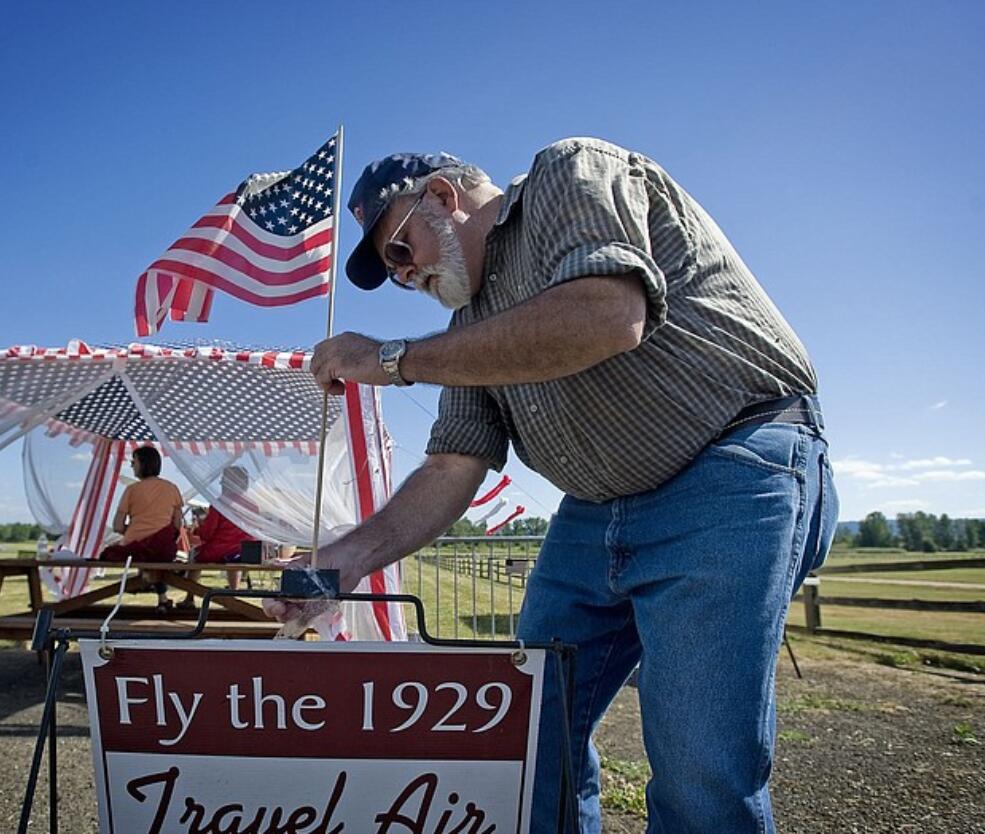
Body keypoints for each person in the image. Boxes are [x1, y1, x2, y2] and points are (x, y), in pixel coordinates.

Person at [268, 138, 839, 834]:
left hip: (730, 466)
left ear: (443, 197)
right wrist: (343, 561)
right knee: (529, 729)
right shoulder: (468, 330)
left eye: (398, 250)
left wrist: (390, 360)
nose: (405, 275)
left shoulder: (566, 175)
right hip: (595, 510)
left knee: (700, 767)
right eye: (393, 270)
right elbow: (452, 465)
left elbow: (607, 314)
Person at [99, 446, 184, 611]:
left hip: (134, 548)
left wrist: (133, 531)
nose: (131, 465)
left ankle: (145, 582)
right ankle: (160, 596)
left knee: (138, 554)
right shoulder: (172, 488)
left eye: (133, 462)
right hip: (162, 549)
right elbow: (177, 525)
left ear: (143, 463)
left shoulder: (131, 490)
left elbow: (117, 525)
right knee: (157, 556)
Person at [187, 466, 256, 594]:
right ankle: (234, 592)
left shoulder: (220, 504)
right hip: (246, 552)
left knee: (195, 557)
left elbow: (207, 534)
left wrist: (198, 528)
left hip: (221, 550)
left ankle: (190, 597)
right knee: (234, 562)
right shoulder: (253, 506)